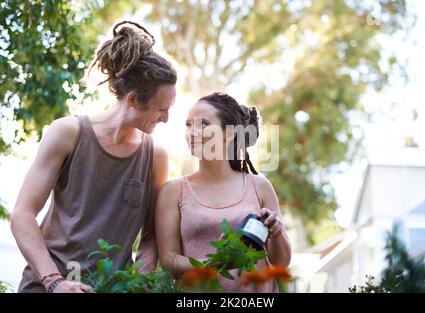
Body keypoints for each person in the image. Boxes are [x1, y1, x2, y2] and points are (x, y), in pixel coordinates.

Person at [10, 21, 177, 293]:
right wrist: (55, 282)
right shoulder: (67, 132)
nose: (167, 119)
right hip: (47, 287)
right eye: (161, 109)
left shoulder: (155, 154)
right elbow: (22, 214)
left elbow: (150, 236)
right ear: (133, 100)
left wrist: (133, 284)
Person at [155, 92, 291, 292]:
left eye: (204, 124)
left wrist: (277, 232)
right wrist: (213, 264)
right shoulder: (174, 191)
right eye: (188, 125)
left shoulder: (259, 186)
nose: (192, 132)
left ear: (229, 133)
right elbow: (169, 260)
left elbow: (281, 263)